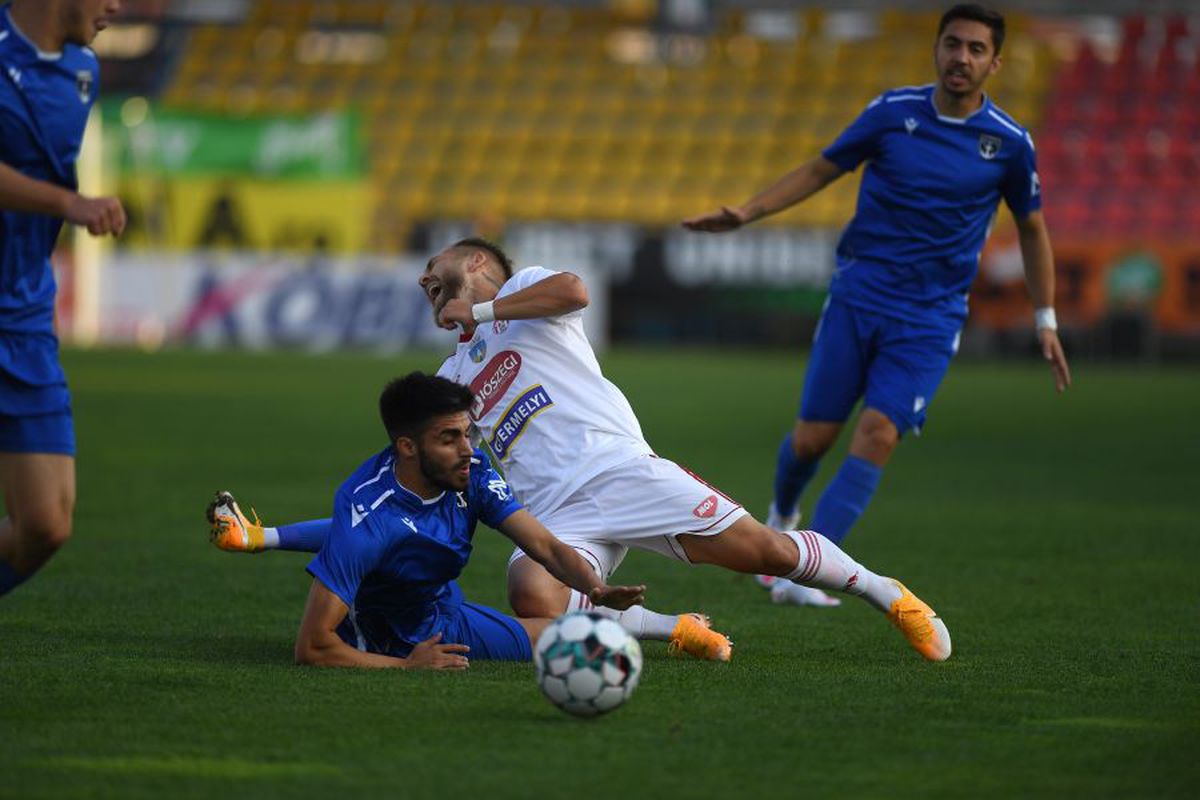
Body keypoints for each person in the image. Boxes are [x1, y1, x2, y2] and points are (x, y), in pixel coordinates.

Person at [213, 238, 952, 662]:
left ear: (477, 260)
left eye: (440, 270)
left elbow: (575, 291)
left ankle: (886, 592)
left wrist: (483, 303)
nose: (428, 283)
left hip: (620, 470)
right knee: (534, 594)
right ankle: (673, 631)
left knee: (763, 551)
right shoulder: (449, 374)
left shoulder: (529, 293)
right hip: (553, 508)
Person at [682, 4, 1071, 607]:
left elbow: (1033, 228)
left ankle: (803, 569)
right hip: (858, 299)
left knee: (879, 432)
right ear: (936, 49)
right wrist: (746, 212)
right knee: (811, 440)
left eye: (974, 49)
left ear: (995, 62)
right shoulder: (892, 113)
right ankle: (783, 511)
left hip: (930, 316)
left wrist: (1045, 318)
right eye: (952, 44)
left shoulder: (1010, 145)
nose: (960, 58)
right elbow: (821, 168)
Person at [293, 371, 647, 669]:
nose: (467, 450)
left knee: (579, 640)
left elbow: (545, 546)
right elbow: (312, 645)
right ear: (407, 447)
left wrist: (594, 588)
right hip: (383, 639)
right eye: (449, 439)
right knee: (570, 646)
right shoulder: (369, 518)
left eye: (466, 433)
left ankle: (672, 626)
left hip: (443, 614)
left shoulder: (472, 472)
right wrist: (408, 666)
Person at [0, 0, 125, 597]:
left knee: (45, 524)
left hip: (22, 317)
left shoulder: (83, 71)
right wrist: (67, 203)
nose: (117, 7)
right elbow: (51, 193)